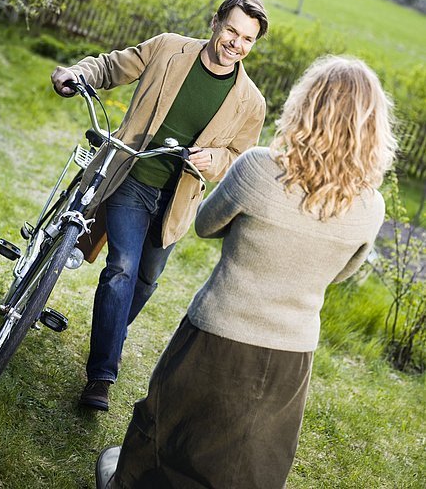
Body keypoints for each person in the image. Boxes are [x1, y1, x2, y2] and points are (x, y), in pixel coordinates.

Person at [94, 55, 397, 489]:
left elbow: (205, 224)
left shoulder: (258, 168)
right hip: (293, 353)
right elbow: (343, 272)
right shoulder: (372, 207)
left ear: (304, 106)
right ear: (373, 128)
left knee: (165, 428)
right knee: (253, 459)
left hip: (216, 330)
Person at [51, 0, 269, 411]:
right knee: (122, 269)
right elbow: (113, 66)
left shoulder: (251, 102)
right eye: (231, 31)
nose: (236, 44)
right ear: (214, 23)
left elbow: (240, 156)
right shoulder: (168, 48)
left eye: (247, 39)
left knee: (147, 281)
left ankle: (111, 335)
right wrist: (77, 73)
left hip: (177, 201)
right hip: (132, 175)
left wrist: (216, 159)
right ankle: (101, 377)